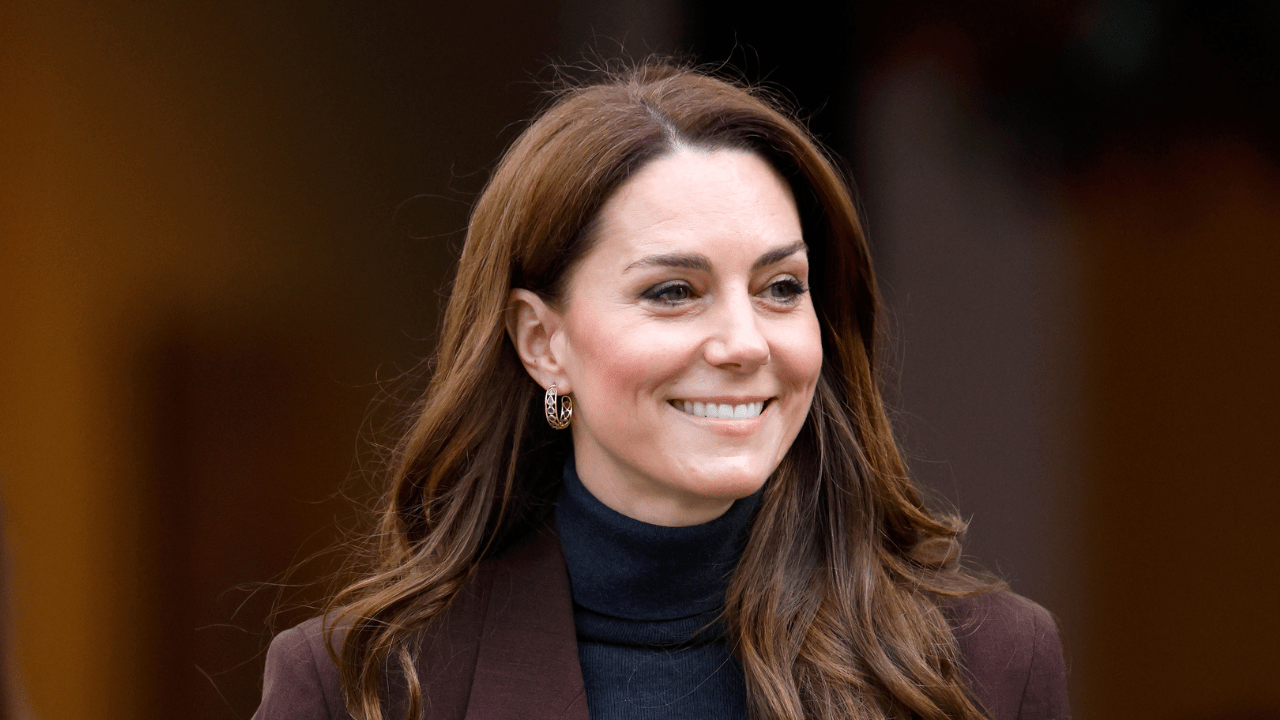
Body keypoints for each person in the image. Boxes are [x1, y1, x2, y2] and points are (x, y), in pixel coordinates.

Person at [253, 62, 1071, 720]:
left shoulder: (988, 666)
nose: (744, 342)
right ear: (542, 342)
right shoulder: (360, 687)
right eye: (674, 291)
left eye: (781, 288)